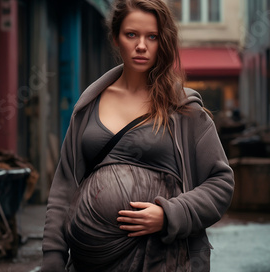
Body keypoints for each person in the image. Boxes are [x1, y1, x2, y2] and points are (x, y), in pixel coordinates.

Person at [41, 0, 234, 271]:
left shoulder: (183, 109)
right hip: (90, 263)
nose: (141, 45)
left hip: (163, 260)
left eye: (151, 37)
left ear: (162, 42)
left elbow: (220, 184)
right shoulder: (88, 106)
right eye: (131, 34)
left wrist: (169, 214)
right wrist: (52, 256)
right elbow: (63, 189)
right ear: (116, 38)